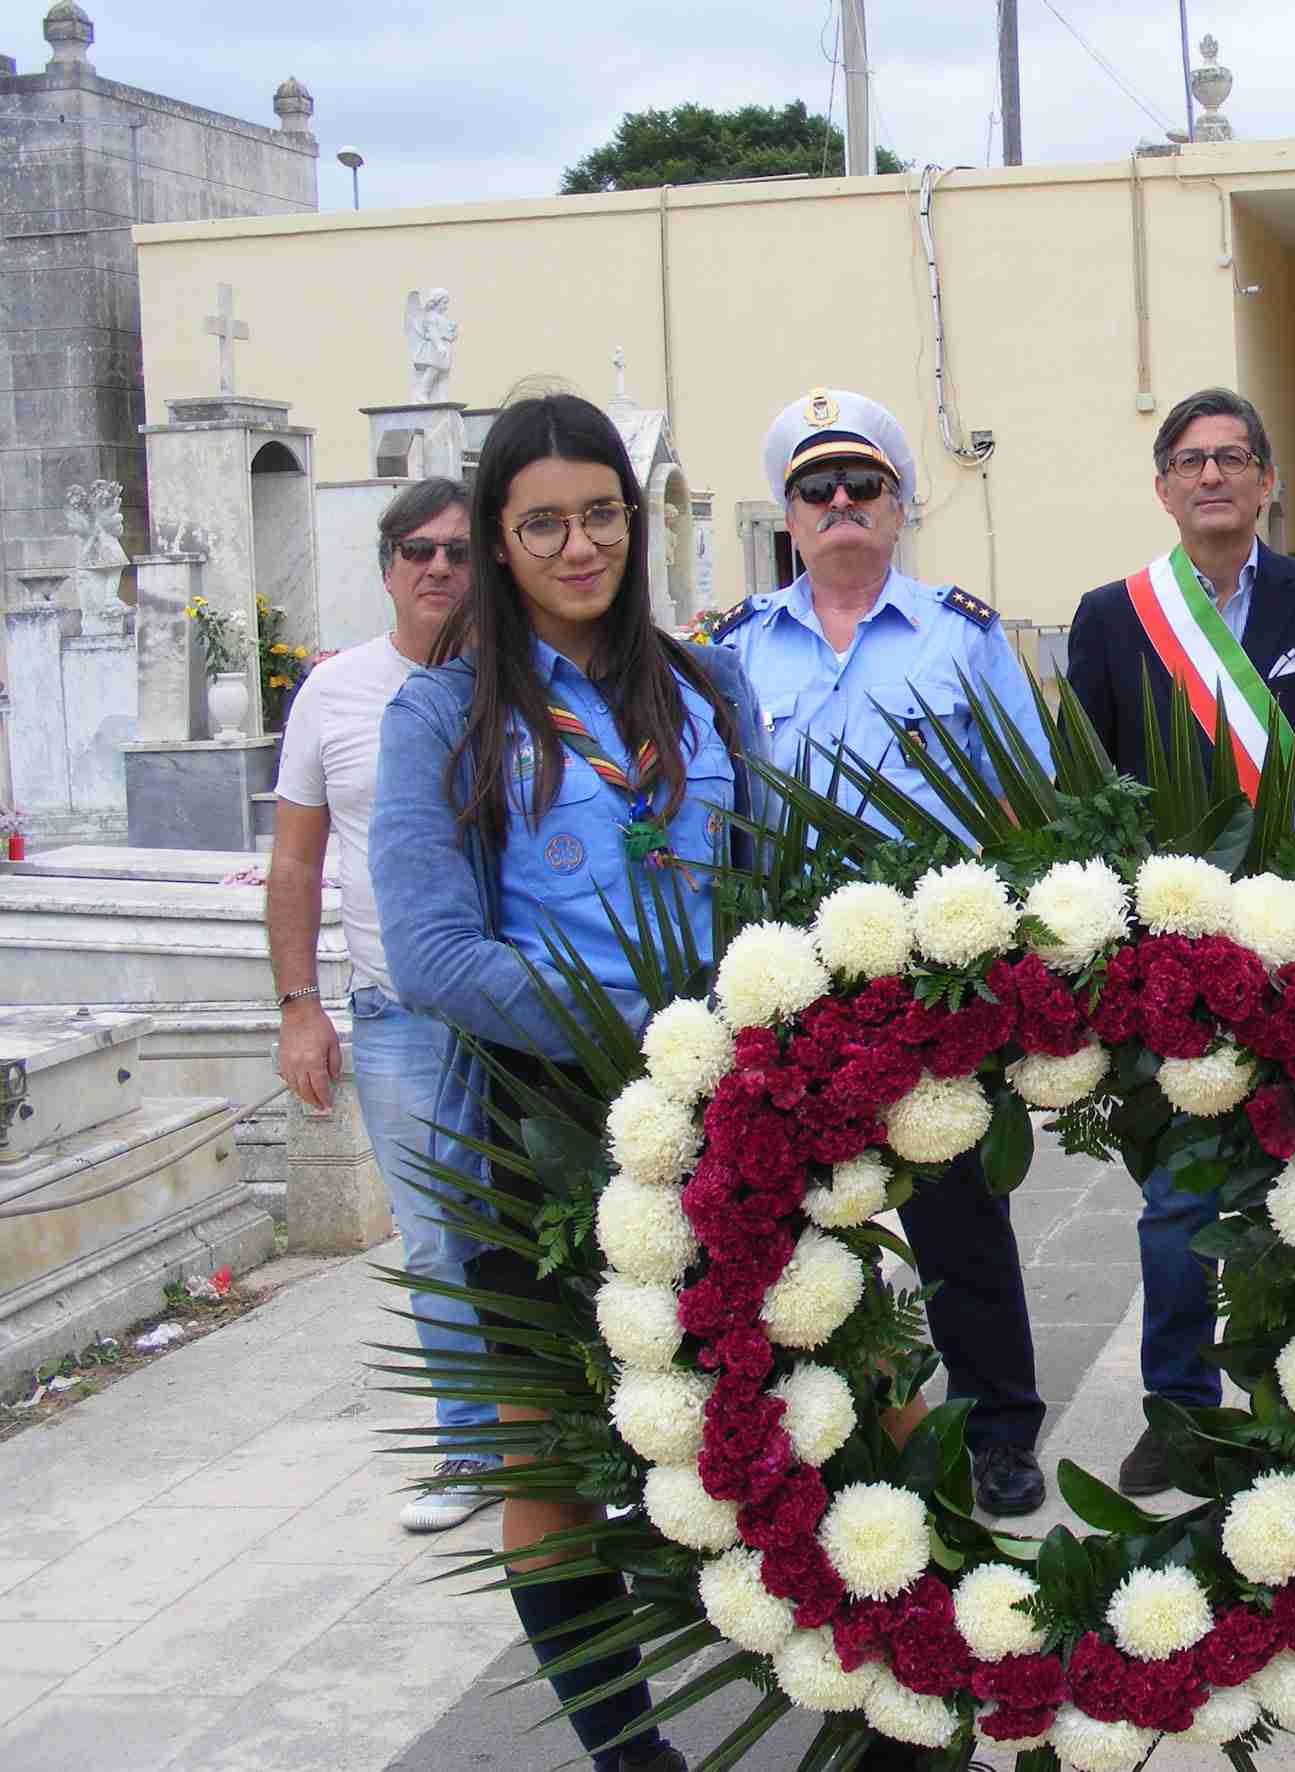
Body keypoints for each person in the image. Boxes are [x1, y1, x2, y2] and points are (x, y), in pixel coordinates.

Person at [374, 393, 762, 1772]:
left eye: (601, 515)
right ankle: (625, 1749)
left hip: (732, 1110)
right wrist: (626, 1024)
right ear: (493, 538)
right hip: (541, 1129)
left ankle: (874, 1693)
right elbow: (429, 950)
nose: (579, 544)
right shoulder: (438, 717)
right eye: (543, 522)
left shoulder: (708, 687)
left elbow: (763, 893)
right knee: (553, 1457)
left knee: (823, 1388)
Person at [714, 386, 1055, 1522]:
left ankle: (1002, 1432)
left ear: (900, 506)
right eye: (818, 489)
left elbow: (1023, 804)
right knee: (806, 1216)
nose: (843, 502)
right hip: (792, 983)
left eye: (865, 484)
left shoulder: (960, 636)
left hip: (933, 982)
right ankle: (842, 1424)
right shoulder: (732, 655)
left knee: (960, 1219)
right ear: (789, 516)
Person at [1067, 387, 1295, 1496]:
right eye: (1190, 460)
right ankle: (1178, 1409)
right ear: (1161, 485)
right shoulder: (1113, 615)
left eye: (1233, 457)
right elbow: (1088, 788)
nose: (1212, 476)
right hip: (1172, 954)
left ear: (1267, 480)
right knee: (1178, 1198)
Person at [267, 475, 502, 1533]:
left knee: (571, 1212)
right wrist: (296, 1006)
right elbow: (295, 860)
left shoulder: (517, 682)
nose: (438, 569)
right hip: (399, 1014)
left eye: (457, 550)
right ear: (387, 566)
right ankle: (469, 1449)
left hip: (521, 1007)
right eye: (418, 551)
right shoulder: (333, 691)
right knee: (434, 1238)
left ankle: (590, 1438)